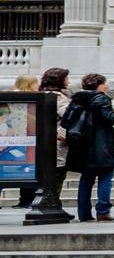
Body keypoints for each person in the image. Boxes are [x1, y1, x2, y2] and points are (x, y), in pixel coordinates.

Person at [62, 73, 114, 223]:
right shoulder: (101, 98)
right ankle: (103, 212)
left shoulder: (77, 98)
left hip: (83, 145)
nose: (106, 86)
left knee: (86, 179)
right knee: (105, 178)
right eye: (104, 83)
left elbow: (65, 121)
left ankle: (83, 213)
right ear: (98, 85)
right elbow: (110, 118)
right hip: (102, 145)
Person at [37, 68, 70, 211]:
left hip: (42, 144)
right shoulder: (58, 97)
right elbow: (67, 115)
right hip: (56, 144)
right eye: (66, 78)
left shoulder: (40, 94)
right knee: (57, 175)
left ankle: (51, 203)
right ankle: (52, 204)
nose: (68, 81)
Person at [4, 75, 38, 208]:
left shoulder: (10, 98)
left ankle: (25, 199)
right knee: (28, 169)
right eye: (35, 83)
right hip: (26, 139)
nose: (38, 86)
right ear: (29, 84)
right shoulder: (31, 100)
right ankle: (27, 199)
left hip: (16, 139)